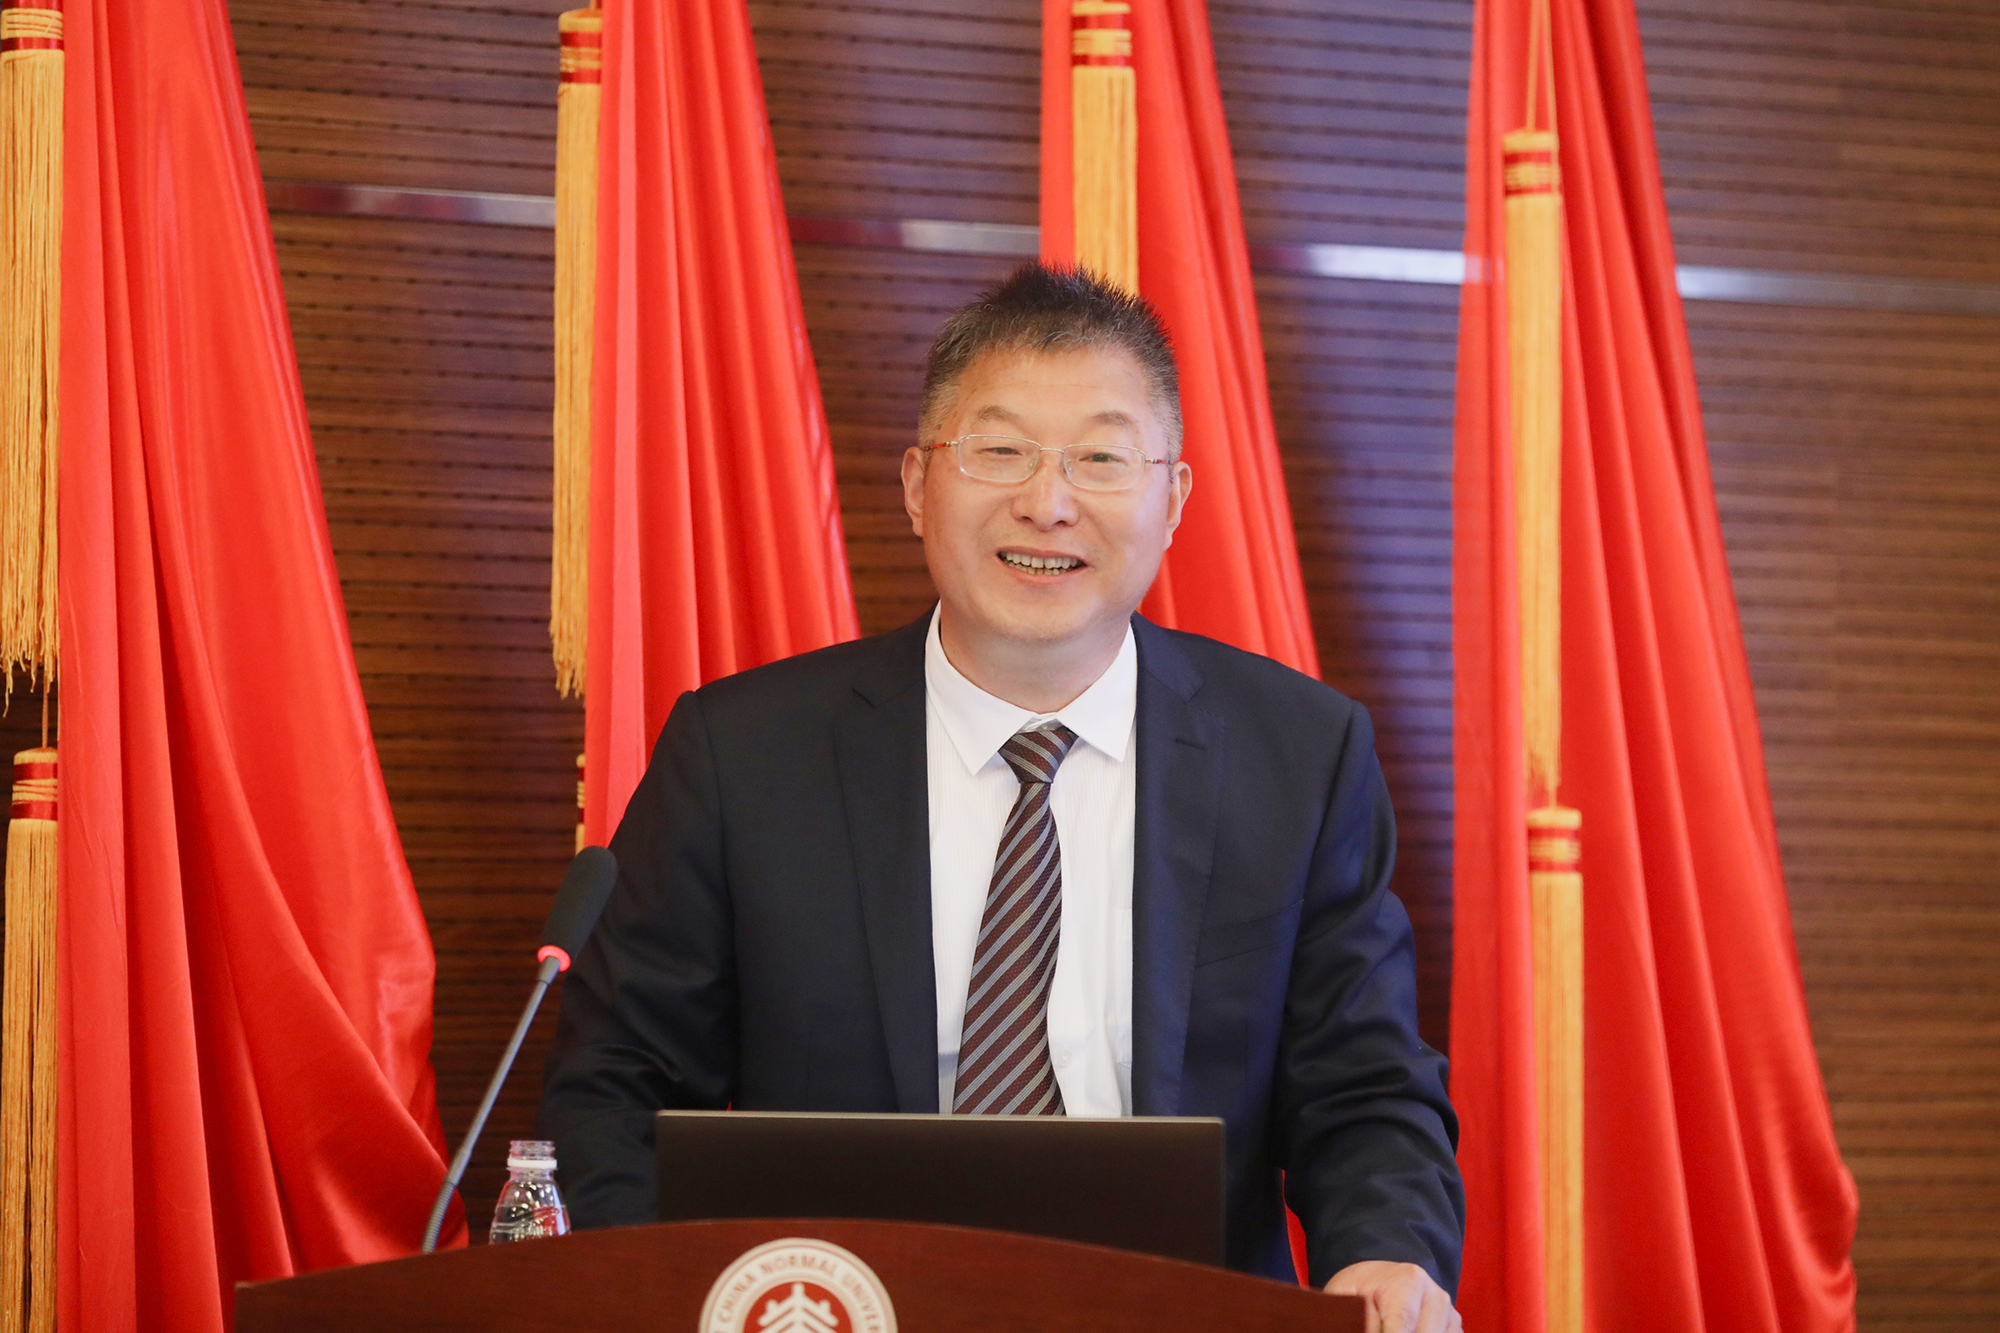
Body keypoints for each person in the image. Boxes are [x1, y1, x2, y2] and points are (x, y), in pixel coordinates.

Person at [540, 264, 1465, 1331]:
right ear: (916, 484)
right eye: (1000, 449)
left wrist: (1384, 1251)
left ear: (1173, 501)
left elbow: (1363, 1083)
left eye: (1100, 458)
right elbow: (618, 1081)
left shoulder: (1298, 754)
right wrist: (663, 1299)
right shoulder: (743, 754)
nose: (1047, 501)